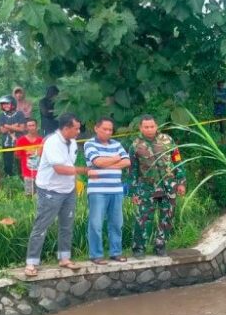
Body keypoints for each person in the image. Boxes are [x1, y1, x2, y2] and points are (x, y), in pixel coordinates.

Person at [24, 113, 94, 276]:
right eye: (76, 128)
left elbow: (69, 164)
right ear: (66, 128)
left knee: (67, 224)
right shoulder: (53, 142)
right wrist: (84, 171)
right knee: (42, 225)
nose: (78, 131)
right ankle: (31, 262)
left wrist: (76, 181)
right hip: (49, 189)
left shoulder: (73, 142)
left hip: (68, 189)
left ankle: (64, 258)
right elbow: (60, 169)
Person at [129, 115, 187, 258]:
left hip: (169, 185)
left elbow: (177, 161)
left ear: (157, 126)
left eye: (152, 126)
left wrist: (181, 182)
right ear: (141, 128)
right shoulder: (135, 146)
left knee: (167, 216)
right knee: (143, 218)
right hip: (147, 187)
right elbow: (132, 171)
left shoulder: (168, 141)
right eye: (146, 127)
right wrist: (134, 192)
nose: (149, 129)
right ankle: (139, 248)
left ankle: (160, 245)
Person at [83, 117, 131, 264]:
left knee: (117, 223)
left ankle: (115, 253)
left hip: (116, 189)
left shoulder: (117, 144)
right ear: (97, 128)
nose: (108, 132)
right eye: (105, 129)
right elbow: (97, 162)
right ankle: (96, 255)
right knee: (96, 224)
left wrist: (107, 164)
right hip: (98, 191)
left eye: (110, 129)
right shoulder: (89, 144)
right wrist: (116, 159)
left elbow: (127, 161)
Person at [0, 95, 27, 178]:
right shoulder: (1, 115)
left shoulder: (19, 114)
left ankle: (22, 178)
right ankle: (9, 178)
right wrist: (15, 126)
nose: (5, 106)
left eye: (7, 103)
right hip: (7, 143)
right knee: (7, 163)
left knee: (20, 162)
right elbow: (2, 131)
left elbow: (22, 129)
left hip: (18, 141)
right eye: (3, 104)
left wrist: (7, 126)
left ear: (13, 104)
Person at [15, 118, 44, 196]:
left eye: (33, 125)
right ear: (26, 127)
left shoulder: (41, 140)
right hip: (27, 172)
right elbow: (17, 155)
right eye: (29, 126)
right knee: (29, 194)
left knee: (41, 195)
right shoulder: (21, 140)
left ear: (37, 126)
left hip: (40, 172)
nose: (31, 128)